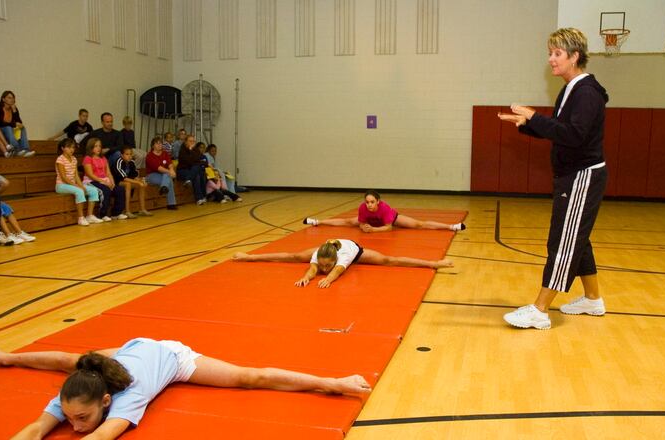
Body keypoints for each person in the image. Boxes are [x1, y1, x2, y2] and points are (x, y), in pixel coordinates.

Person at [0, 338, 371, 439]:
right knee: (68, 358)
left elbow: (102, 435)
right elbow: (35, 428)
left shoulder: (129, 395)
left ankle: (333, 382)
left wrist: (333, 383)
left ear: (106, 401)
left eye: (83, 418)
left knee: (250, 377)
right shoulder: (78, 390)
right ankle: (6, 355)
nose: (75, 425)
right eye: (71, 415)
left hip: (170, 357)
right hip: (129, 348)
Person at [497, 28, 608, 330]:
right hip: (570, 176)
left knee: (563, 241)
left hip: (582, 176)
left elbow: (574, 135)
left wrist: (534, 116)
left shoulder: (586, 92)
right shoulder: (570, 88)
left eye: (557, 54)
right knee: (577, 238)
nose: (551, 59)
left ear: (574, 56)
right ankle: (593, 299)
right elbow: (560, 129)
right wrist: (527, 124)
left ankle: (540, 309)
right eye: (550, 53)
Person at [233, 238, 453, 288]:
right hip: (329, 246)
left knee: (388, 260)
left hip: (354, 248)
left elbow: (336, 272)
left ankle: (434, 262)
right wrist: (306, 277)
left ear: (335, 260)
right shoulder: (320, 255)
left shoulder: (344, 258)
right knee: (293, 256)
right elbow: (311, 269)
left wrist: (328, 278)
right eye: (323, 265)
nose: (324, 269)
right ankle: (249, 257)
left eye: (327, 265)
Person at [304, 190, 466, 233]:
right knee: (347, 222)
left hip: (390, 221)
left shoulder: (385, 209)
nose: (369, 205)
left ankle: (451, 226)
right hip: (371, 223)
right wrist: (363, 227)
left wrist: (373, 230)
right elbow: (360, 223)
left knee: (419, 224)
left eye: (372, 202)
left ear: (378, 202)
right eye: (367, 202)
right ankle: (317, 221)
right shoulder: (363, 208)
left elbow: (389, 227)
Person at [54, 138, 102, 227]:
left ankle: (89, 216)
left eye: (73, 147)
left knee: (93, 190)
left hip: (72, 185)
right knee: (79, 191)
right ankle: (81, 218)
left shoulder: (74, 159)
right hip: (61, 185)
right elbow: (63, 177)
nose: (72, 150)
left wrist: (81, 185)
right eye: (69, 147)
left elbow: (76, 175)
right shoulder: (60, 159)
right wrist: (77, 186)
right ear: (62, 148)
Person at [82, 138, 125, 221]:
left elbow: (108, 173)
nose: (98, 148)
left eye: (100, 146)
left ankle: (116, 214)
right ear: (91, 148)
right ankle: (102, 215)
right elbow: (90, 175)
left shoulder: (103, 158)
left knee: (119, 190)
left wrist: (112, 182)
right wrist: (104, 182)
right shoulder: (87, 158)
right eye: (96, 146)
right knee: (105, 190)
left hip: (104, 181)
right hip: (92, 181)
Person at [110, 146, 151, 218]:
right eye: (127, 154)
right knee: (128, 184)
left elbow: (134, 176)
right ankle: (127, 211)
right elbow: (124, 178)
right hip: (116, 182)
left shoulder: (132, 162)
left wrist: (140, 180)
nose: (129, 156)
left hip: (126, 181)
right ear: (122, 155)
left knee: (142, 185)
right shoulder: (119, 162)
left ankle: (142, 209)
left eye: (131, 154)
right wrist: (137, 182)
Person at [0, 90, 35, 157]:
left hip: (10, 129)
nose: (12, 99)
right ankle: (16, 150)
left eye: (13, 98)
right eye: (9, 97)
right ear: (3, 99)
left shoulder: (14, 108)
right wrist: (14, 124)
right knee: (8, 128)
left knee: (22, 128)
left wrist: (14, 111)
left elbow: (19, 122)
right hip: (0, 130)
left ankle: (26, 150)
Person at [144, 136, 177, 210]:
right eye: (157, 143)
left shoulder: (165, 153)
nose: (159, 145)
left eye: (161, 143)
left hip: (164, 174)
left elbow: (170, 163)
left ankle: (163, 187)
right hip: (151, 176)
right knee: (168, 178)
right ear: (153, 146)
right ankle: (171, 204)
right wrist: (170, 172)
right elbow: (158, 168)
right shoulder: (149, 156)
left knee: (168, 178)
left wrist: (171, 170)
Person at [176, 135, 207, 205]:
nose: (192, 143)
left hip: (191, 171)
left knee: (198, 172)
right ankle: (200, 198)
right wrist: (190, 150)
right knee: (197, 172)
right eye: (190, 141)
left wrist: (192, 152)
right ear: (185, 142)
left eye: (193, 141)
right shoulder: (182, 150)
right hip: (182, 171)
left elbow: (200, 160)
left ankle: (188, 179)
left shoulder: (195, 149)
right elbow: (189, 161)